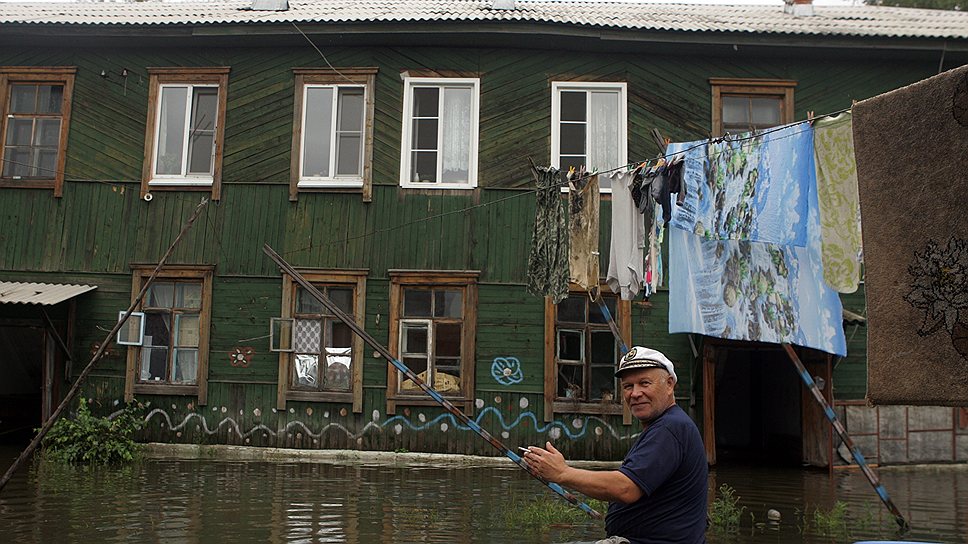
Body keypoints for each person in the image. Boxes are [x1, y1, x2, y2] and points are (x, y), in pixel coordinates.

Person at [524, 346, 708, 544]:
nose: (635, 393)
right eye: (628, 386)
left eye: (644, 383)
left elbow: (625, 488)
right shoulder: (667, 426)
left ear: (670, 384)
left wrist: (562, 473)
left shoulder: (670, 427)